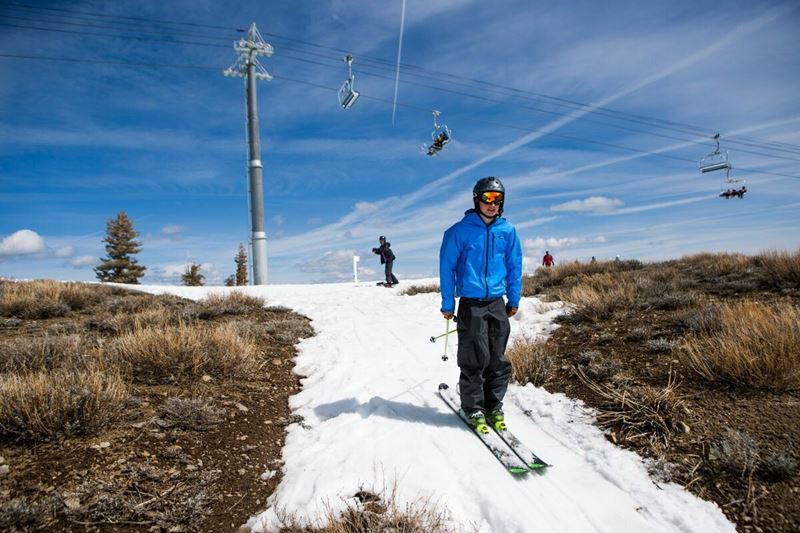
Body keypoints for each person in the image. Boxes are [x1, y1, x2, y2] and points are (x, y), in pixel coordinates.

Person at [439, 177, 522, 434]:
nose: (491, 204)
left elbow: (514, 265)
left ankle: (493, 405)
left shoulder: (507, 231)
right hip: (471, 304)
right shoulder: (458, 231)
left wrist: (514, 298)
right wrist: (447, 302)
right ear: (477, 199)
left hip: (497, 302)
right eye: (487, 198)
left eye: (497, 199)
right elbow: (447, 268)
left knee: (497, 358)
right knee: (474, 358)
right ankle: (473, 407)